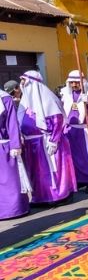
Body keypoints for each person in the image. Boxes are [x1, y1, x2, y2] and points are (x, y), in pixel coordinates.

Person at [19, 70, 76, 204]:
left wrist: (53, 141)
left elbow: (57, 120)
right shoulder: (24, 102)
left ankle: (58, 195)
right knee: (37, 173)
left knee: (52, 170)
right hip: (31, 144)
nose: (22, 86)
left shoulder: (47, 99)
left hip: (47, 143)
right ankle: (40, 197)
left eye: (25, 83)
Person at [0, 80, 30, 219]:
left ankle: (15, 209)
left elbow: (12, 122)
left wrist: (15, 144)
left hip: (5, 145)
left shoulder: (5, 98)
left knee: (10, 180)